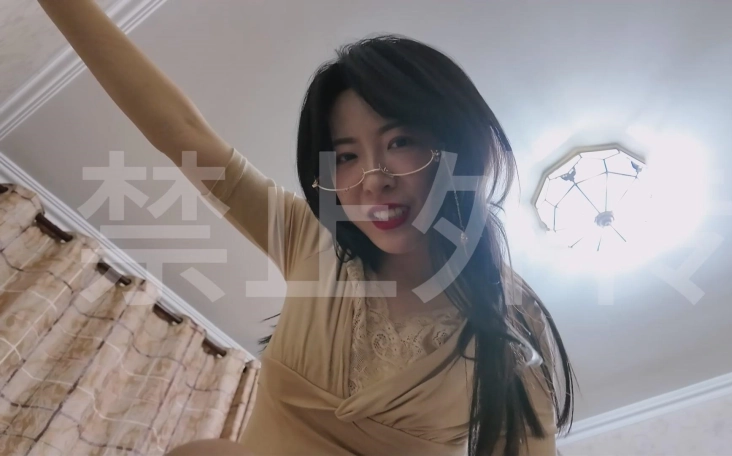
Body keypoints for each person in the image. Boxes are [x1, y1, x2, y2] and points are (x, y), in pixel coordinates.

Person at [39, 1, 574, 454]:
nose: (373, 180)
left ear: (458, 146)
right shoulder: (309, 240)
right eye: (346, 156)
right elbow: (183, 133)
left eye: (400, 142)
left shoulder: (514, 324)